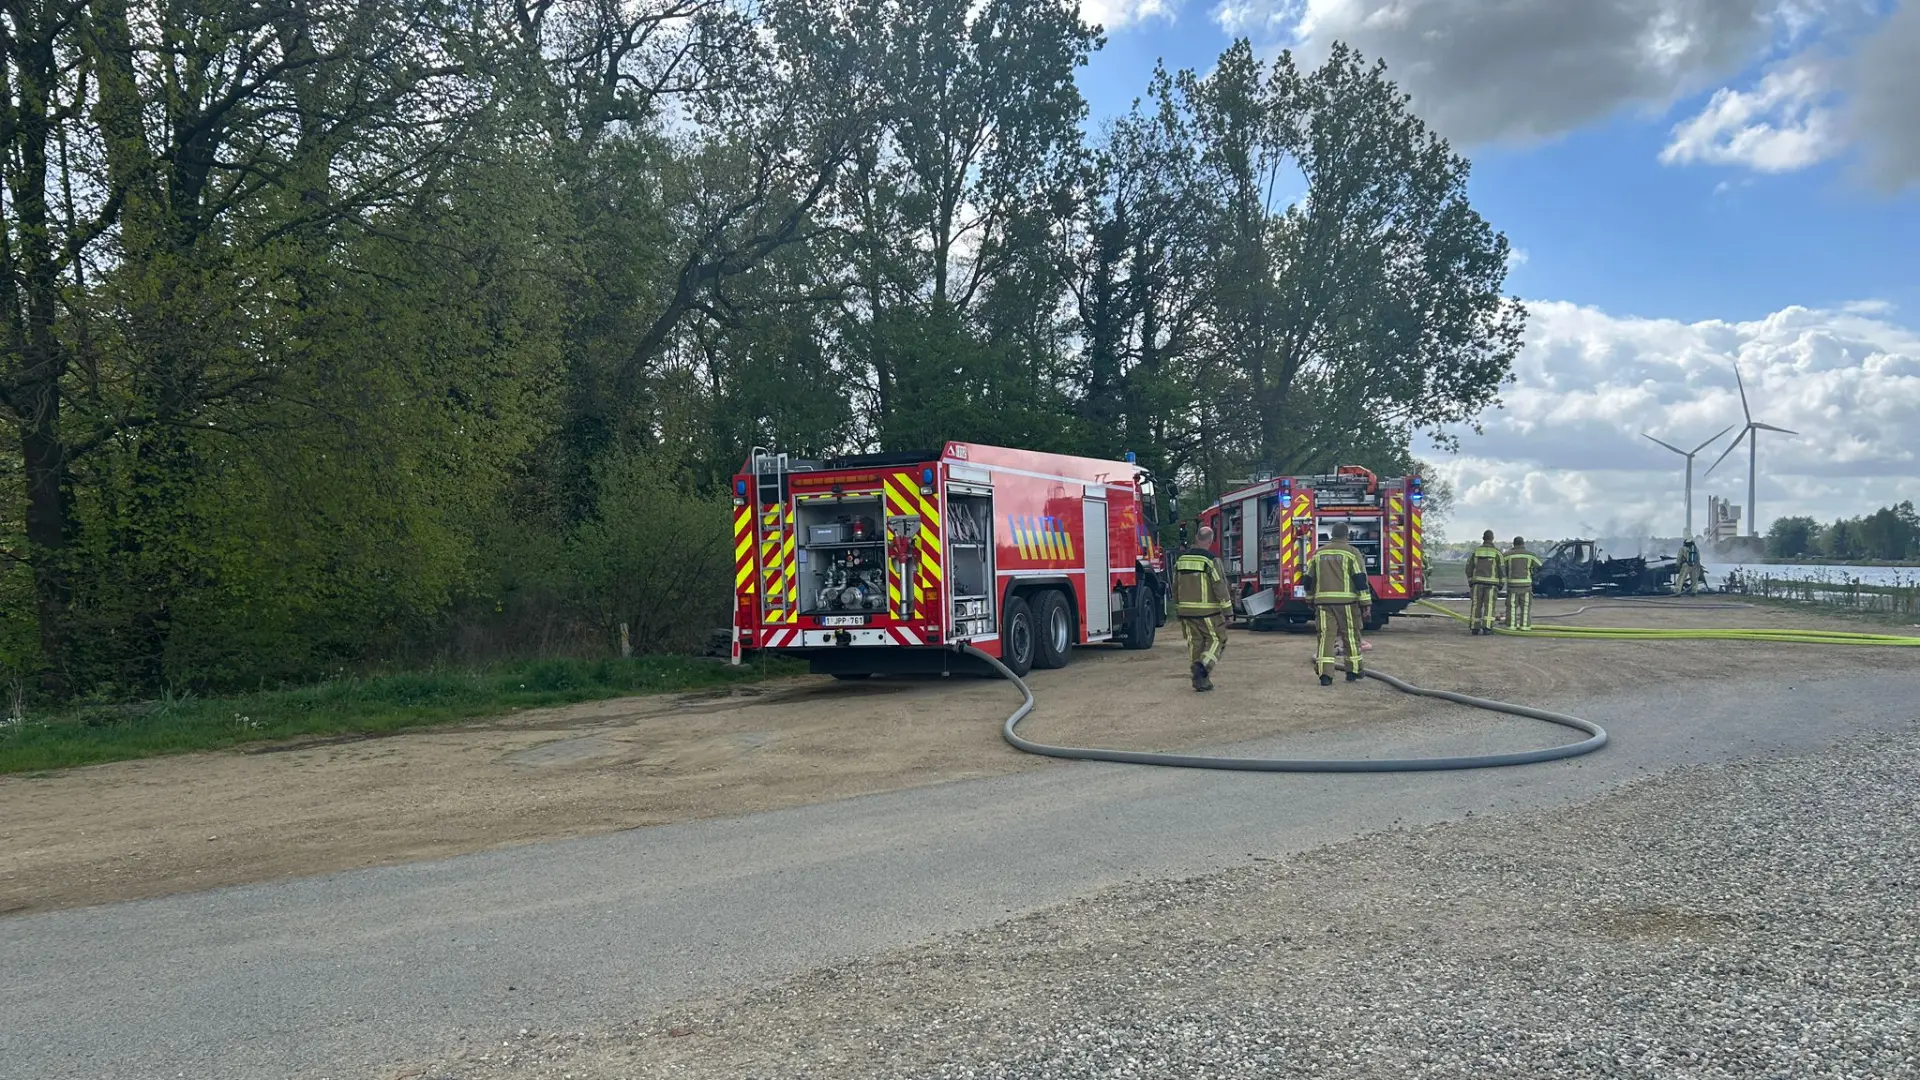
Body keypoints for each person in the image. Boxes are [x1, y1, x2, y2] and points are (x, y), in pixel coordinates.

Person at [1304, 522, 1370, 685]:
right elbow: (1360, 579)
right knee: (1351, 636)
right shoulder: (1352, 553)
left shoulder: (1318, 553)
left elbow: (1308, 579)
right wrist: (1365, 603)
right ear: (1347, 535)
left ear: (1332, 535)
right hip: (1347, 603)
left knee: (1326, 637)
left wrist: (1310, 598)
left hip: (1324, 604)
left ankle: (1325, 675)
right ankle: (1353, 671)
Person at [1172, 525, 1230, 692]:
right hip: (1208, 612)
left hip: (1185, 611)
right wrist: (1228, 611)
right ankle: (1203, 666)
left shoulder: (1181, 560)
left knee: (1195, 643)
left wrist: (1178, 607)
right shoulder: (1211, 560)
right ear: (1210, 541)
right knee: (1218, 639)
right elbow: (1219, 585)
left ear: (1197, 538)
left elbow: (1175, 586)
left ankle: (1200, 682)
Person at [1467, 529, 1504, 635]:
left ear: (1483, 538)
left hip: (1477, 584)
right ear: (1492, 538)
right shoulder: (1497, 553)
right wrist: (1501, 583)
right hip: (1492, 585)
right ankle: (1487, 628)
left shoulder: (1476, 552)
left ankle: (1474, 627)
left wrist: (1470, 581)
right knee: (1490, 605)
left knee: (1476, 605)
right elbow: (1501, 569)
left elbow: (1468, 567)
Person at [1501, 536, 1542, 631]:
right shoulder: (1530, 555)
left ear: (1513, 544)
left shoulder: (1506, 555)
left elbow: (1501, 567)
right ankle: (1525, 626)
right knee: (1526, 607)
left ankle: (1511, 626)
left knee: (1512, 606)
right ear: (1523, 544)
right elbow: (1540, 566)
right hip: (1526, 586)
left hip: (1512, 586)